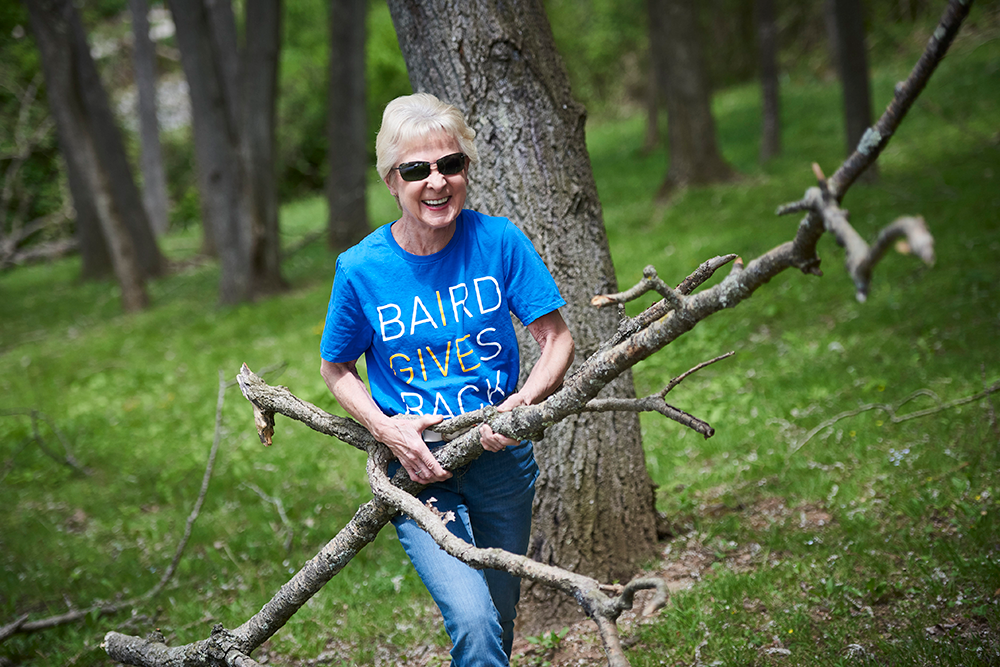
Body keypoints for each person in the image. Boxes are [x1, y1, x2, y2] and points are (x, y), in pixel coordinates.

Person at [319, 92, 575, 666]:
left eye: (450, 164)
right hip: (419, 471)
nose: (436, 182)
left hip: (501, 459)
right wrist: (387, 430)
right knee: (475, 622)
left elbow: (557, 339)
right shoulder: (361, 269)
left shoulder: (498, 241)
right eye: (416, 170)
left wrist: (522, 402)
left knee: (498, 620)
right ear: (392, 180)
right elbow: (336, 368)